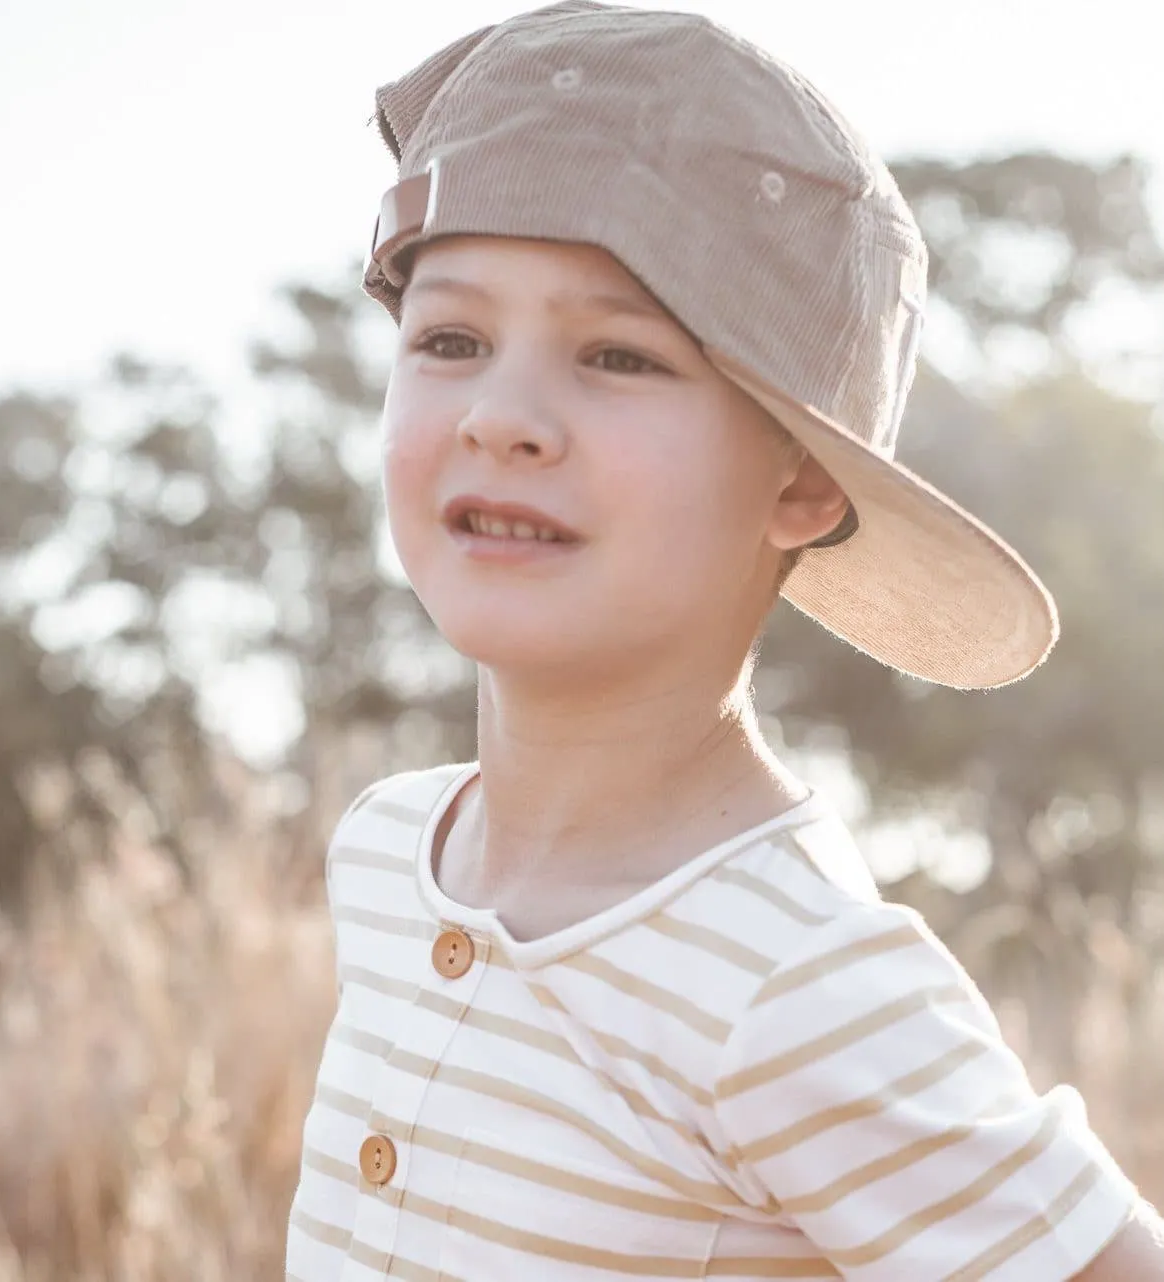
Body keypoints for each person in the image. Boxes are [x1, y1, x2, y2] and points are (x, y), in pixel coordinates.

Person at [286, 4, 1164, 1277]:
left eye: (618, 356)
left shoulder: (798, 980)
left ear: (802, 479)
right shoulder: (384, 853)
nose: (504, 416)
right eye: (451, 339)